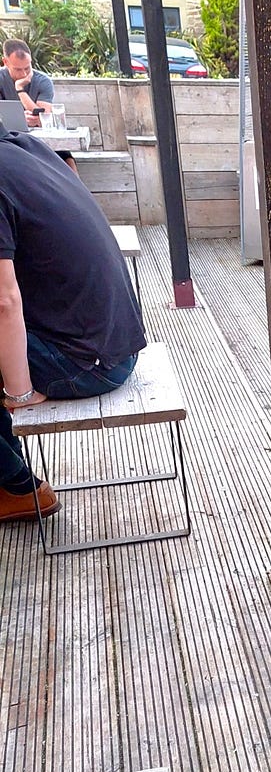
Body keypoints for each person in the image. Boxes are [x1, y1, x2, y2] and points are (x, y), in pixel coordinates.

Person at [0, 126, 146, 525]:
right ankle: (13, 482)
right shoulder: (26, 146)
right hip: (115, 341)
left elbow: (5, 302)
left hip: (86, 362)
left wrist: (21, 393)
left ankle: (15, 487)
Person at [0, 38, 54, 129]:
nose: (24, 74)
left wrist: (20, 90)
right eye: (18, 69)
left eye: (27, 68)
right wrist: (18, 119)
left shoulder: (43, 81)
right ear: (5, 62)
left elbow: (44, 118)